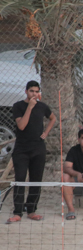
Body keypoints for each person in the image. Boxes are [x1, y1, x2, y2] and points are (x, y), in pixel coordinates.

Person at [7, 81, 55, 224]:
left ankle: (31, 210)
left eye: (36, 91)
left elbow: (53, 118)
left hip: (38, 148)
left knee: (36, 180)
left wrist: (46, 132)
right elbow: (21, 126)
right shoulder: (18, 106)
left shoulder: (42, 106)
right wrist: (30, 107)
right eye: (31, 91)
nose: (34, 94)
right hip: (22, 149)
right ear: (26, 91)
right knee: (20, 179)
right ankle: (17, 212)